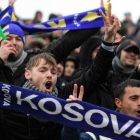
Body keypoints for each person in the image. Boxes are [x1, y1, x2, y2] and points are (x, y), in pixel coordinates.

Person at [0, 0, 122, 139]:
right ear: (27, 74)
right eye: (42, 70)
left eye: (54, 72)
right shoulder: (10, 96)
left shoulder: (64, 96)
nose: (49, 75)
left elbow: (94, 73)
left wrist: (106, 40)